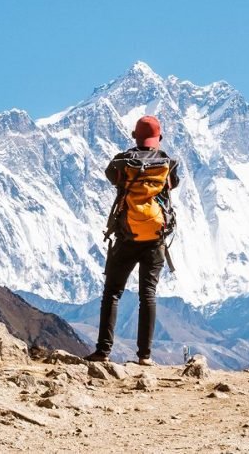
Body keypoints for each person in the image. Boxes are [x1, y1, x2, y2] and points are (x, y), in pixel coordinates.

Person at [86, 115, 179, 366]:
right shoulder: (168, 163)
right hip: (156, 239)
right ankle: (144, 356)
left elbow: (111, 177)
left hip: (126, 236)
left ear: (135, 136)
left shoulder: (122, 161)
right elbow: (173, 185)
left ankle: (103, 351)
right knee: (148, 295)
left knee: (112, 293)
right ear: (159, 138)